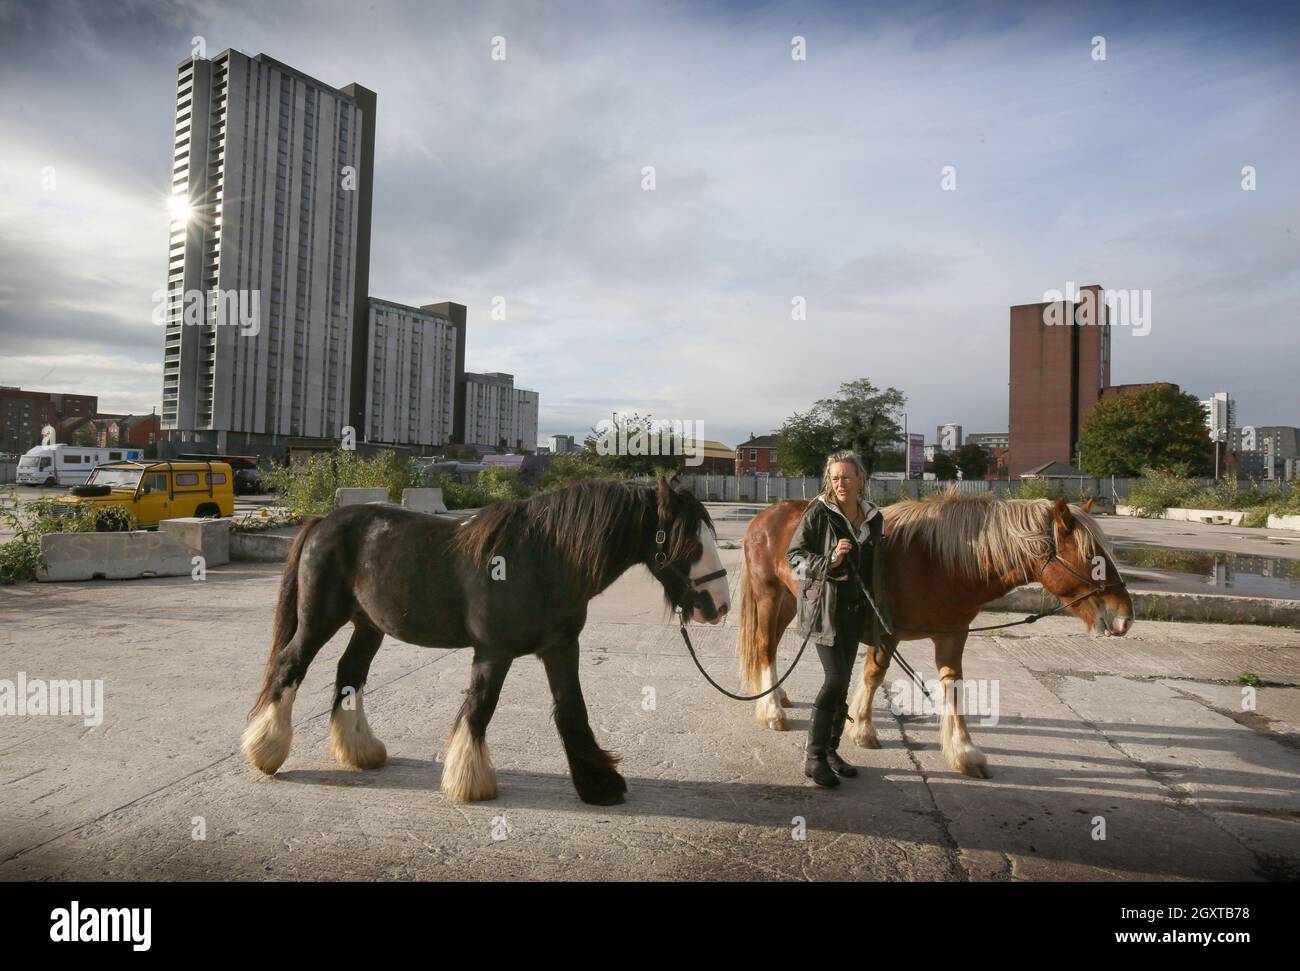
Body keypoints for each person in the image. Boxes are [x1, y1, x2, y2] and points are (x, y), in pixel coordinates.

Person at [785, 449, 885, 788]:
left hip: (856, 611)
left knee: (843, 682)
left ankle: (831, 751)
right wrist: (830, 560)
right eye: (835, 477)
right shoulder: (818, 514)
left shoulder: (873, 517)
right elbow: (794, 559)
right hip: (825, 609)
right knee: (835, 678)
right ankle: (813, 757)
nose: (840, 483)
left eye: (846, 477)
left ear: (860, 479)